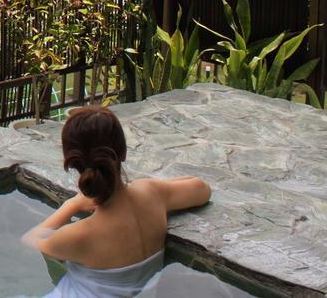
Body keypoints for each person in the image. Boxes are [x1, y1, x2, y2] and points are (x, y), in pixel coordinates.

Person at [22, 106, 218, 298]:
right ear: (123, 152)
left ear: (72, 162)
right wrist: (154, 186)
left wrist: (72, 205)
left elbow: (30, 241)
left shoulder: (79, 235)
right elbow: (202, 189)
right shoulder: (152, 194)